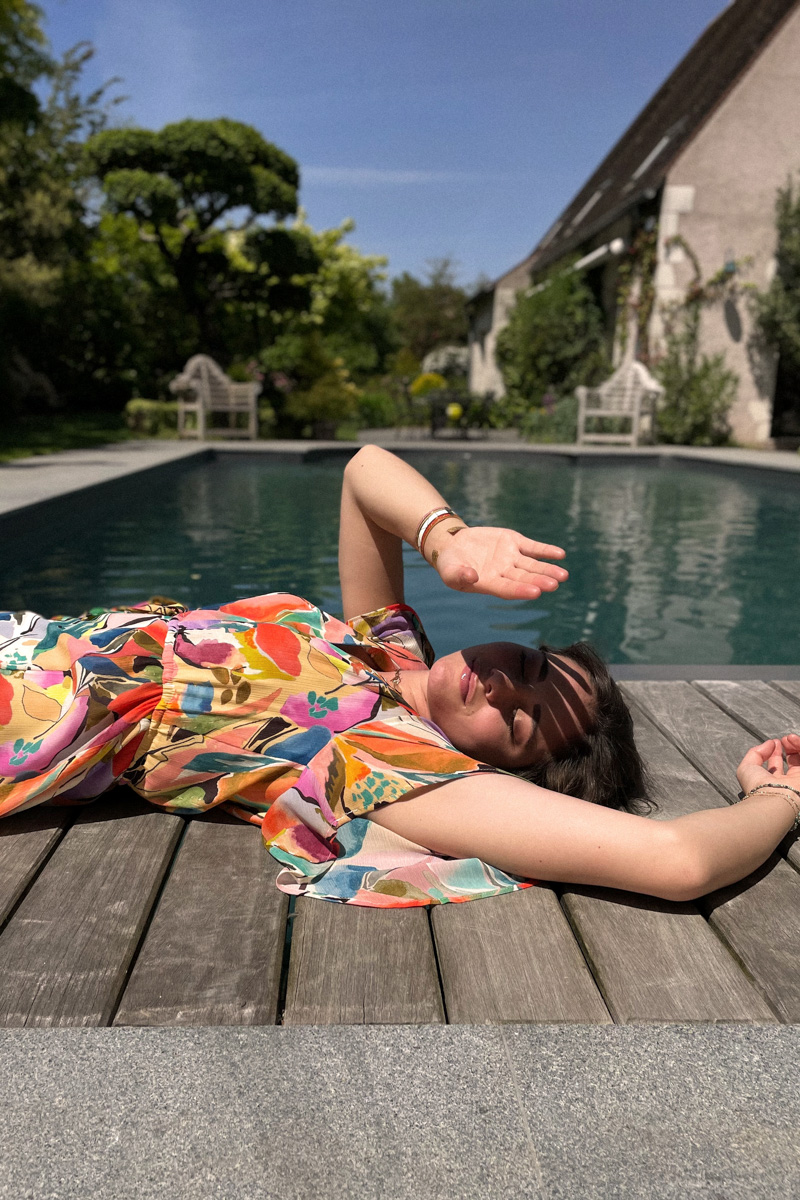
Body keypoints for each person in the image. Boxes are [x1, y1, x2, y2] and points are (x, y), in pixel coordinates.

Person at [1, 444, 798, 908]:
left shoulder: (396, 757)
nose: (500, 686)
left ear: (499, 770)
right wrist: (446, 539)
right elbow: (364, 471)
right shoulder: (389, 652)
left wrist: (779, 797)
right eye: (527, 667)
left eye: (517, 721)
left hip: (38, 713)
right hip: (32, 640)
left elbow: (678, 862)